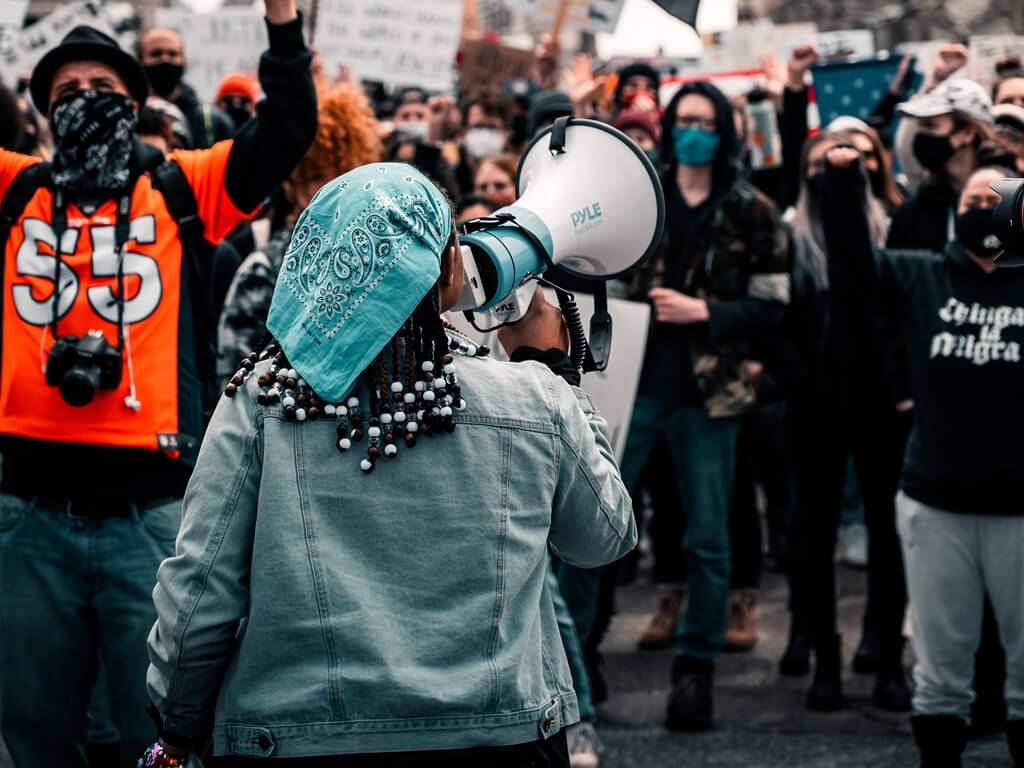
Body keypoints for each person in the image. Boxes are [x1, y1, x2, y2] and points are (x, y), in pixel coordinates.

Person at [142, 162, 636, 766]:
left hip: (301, 740)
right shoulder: (532, 397)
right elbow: (603, 539)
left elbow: (199, 597)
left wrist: (180, 726)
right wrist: (554, 371)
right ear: (449, 270)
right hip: (502, 738)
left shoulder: (261, 400)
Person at [0, 4, 317, 766]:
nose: (82, 95)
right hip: (27, 517)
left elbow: (287, 130)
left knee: (160, 740)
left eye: (100, 83)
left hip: (149, 518)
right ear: (42, 110)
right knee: (31, 738)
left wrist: (280, 26)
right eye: (65, 88)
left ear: (135, 101)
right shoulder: (14, 190)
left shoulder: (186, 185)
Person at [820, 145, 1024, 768]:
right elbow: (853, 270)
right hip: (937, 501)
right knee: (940, 665)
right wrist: (841, 183)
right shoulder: (919, 275)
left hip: (1021, 508)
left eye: (996, 203)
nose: (981, 211)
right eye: (971, 203)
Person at [620, 79, 789, 729]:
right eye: (682, 120)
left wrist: (706, 312)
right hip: (634, 382)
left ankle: (695, 671)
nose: (693, 131)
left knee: (710, 539)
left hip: (710, 394)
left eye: (705, 121)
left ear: (724, 132)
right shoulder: (639, 198)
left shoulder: (752, 210)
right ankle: (578, 662)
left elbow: (773, 304)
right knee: (592, 523)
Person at [781, 130, 912, 713]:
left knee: (889, 537)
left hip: (883, 404)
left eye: (850, 163)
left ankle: (887, 661)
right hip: (815, 404)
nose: (831, 172)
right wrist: (797, 379)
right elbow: (777, 318)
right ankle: (825, 660)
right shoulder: (790, 235)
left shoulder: (893, 226)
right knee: (813, 538)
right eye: (821, 164)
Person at [218, 84, 382, 386]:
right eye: (317, 176)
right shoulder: (266, 265)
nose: (333, 188)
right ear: (296, 183)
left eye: (343, 175)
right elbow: (233, 370)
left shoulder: (379, 259)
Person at [888, 79, 994, 252]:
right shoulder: (913, 213)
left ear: (967, 132)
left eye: (931, 126)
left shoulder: (1011, 199)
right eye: (919, 128)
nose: (921, 137)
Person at [138, 27, 234, 148]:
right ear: (140, 60)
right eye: (156, 53)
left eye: (172, 53)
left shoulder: (213, 122)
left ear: (184, 60)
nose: (165, 59)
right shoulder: (129, 118)